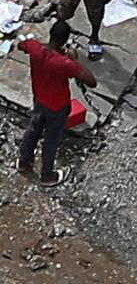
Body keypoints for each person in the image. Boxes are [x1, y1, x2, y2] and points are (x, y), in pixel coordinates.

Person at [18, 20, 95, 187]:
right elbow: (91, 81)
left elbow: (21, 46)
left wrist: (40, 47)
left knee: (33, 131)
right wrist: (74, 59)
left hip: (39, 101)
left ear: (51, 34)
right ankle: (47, 175)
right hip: (57, 107)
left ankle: (24, 162)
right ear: (64, 40)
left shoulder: (35, 48)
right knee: (51, 139)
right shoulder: (64, 63)